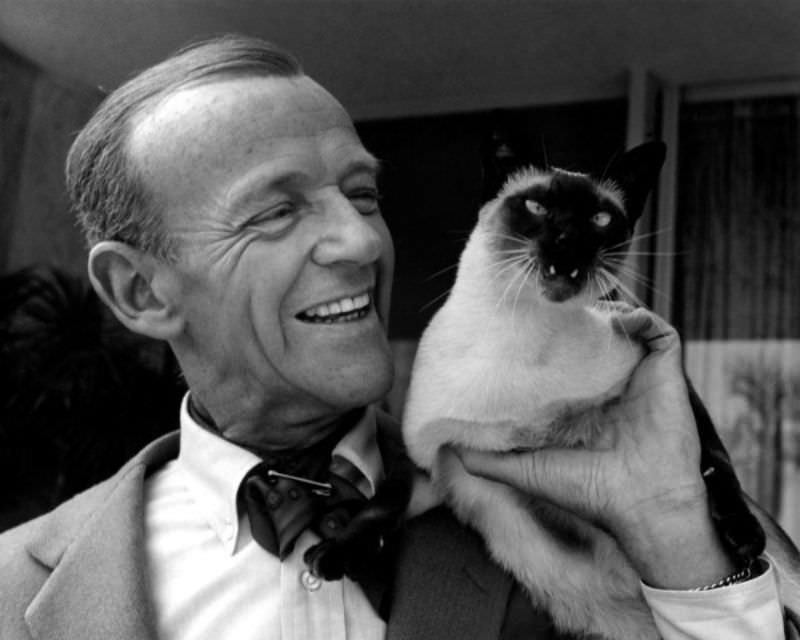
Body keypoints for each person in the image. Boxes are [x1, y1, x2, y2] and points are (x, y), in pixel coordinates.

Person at [0, 34, 794, 640]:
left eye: (362, 193)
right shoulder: (13, 590)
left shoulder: (574, 490)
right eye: (276, 210)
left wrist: (679, 543)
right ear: (140, 291)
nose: (361, 241)